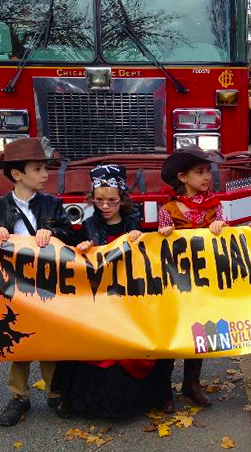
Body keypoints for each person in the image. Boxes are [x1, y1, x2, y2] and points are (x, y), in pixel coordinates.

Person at [52, 165, 176, 417]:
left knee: (158, 334)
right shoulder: (88, 225)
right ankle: (74, 399)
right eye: (99, 201)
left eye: (112, 201)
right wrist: (82, 248)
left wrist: (145, 236)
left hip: (133, 297)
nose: (105, 206)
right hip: (101, 298)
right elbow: (77, 261)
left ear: (122, 199)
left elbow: (154, 249)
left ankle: (160, 394)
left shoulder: (136, 221)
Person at [0, 138, 75, 426]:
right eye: (38, 168)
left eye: (45, 167)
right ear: (17, 174)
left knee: (49, 337)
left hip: (46, 282)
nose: (45, 174)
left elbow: (69, 236)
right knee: (17, 340)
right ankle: (19, 395)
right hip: (14, 286)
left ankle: (55, 391)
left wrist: (52, 233)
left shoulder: (53, 204)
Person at [158, 145, 230, 407]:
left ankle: (192, 383)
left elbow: (228, 239)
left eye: (208, 171)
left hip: (204, 280)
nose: (207, 177)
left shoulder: (216, 206)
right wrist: (164, 234)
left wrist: (221, 227)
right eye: (199, 172)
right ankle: (163, 388)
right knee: (172, 331)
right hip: (177, 282)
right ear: (183, 177)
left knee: (198, 330)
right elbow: (160, 250)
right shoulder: (169, 210)